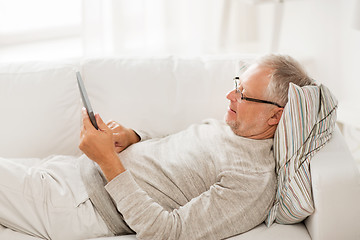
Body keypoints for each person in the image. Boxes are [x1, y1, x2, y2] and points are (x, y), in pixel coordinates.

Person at [0, 54, 314, 240]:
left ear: (275, 115)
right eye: (236, 85)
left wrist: (110, 162)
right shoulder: (234, 129)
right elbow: (173, 154)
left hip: (78, 203)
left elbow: (168, 232)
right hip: (67, 171)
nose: (230, 97)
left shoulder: (250, 182)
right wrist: (133, 138)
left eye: (243, 95)